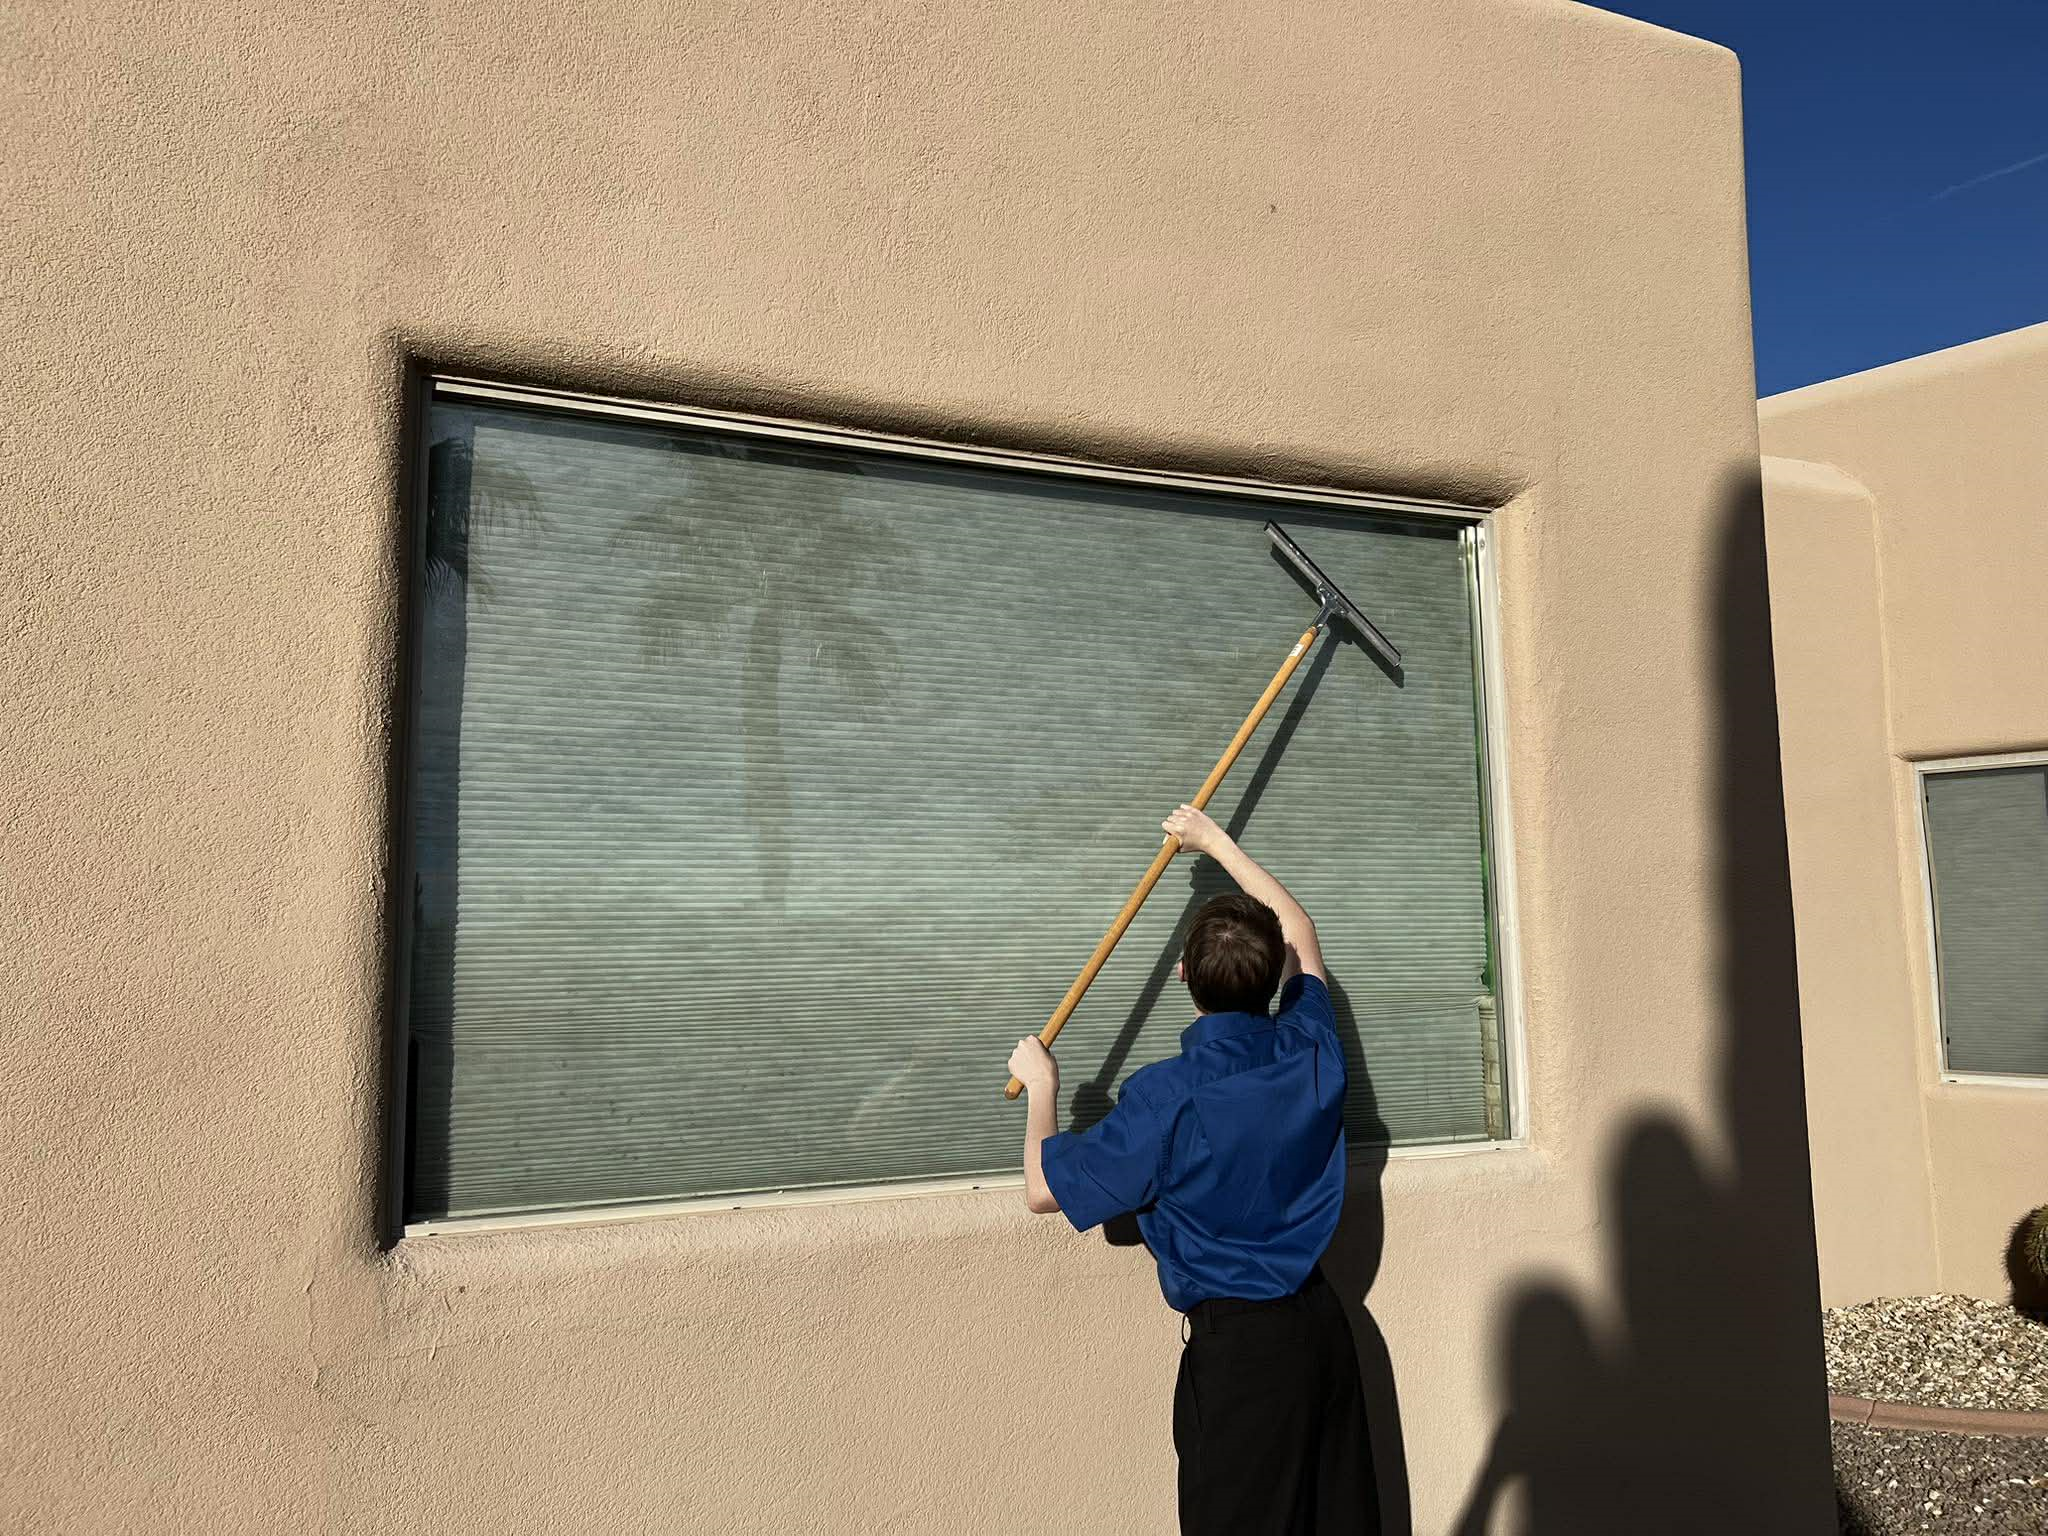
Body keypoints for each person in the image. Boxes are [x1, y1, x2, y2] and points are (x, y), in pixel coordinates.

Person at [1007, 803, 1378, 1536]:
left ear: (1182, 976)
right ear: (1274, 975)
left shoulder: (1168, 1097)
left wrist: (1042, 1089)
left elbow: (1045, 1190)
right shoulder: (1309, 1050)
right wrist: (1217, 842)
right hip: (1324, 1332)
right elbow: (1300, 931)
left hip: (1243, 1361)